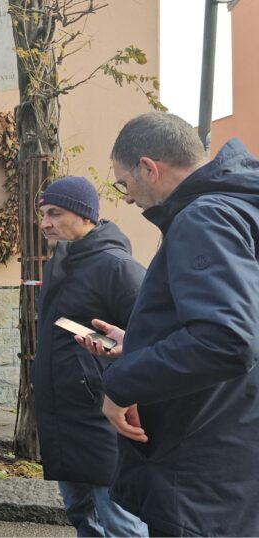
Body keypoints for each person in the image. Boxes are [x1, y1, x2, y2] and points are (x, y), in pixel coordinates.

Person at [78, 112, 259, 536]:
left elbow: (227, 339)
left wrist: (121, 383)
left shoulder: (204, 218)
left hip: (201, 472)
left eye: (124, 183)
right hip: (233, 455)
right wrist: (141, 341)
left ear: (149, 168)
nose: (124, 199)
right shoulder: (240, 208)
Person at [31, 176, 147, 537]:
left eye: (55, 213)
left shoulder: (118, 267)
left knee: (120, 523)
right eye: (43, 213)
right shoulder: (60, 262)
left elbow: (150, 342)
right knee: (81, 515)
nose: (45, 222)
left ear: (85, 217)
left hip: (100, 419)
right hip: (62, 419)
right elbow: (74, 328)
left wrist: (105, 363)